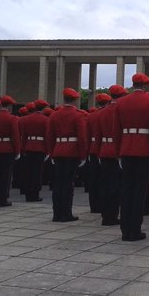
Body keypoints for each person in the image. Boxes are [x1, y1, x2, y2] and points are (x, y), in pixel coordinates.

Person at [113, 73, 149, 241]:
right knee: (139, 191)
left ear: (133, 84)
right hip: (144, 150)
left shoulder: (121, 102)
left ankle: (125, 229)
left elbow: (116, 130)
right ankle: (135, 229)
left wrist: (119, 151)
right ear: (145, 86)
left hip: (126, 149)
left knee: (126, 190)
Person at [46, 88, 87, 223]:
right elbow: (82, 137)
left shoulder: (54, 115)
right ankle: (65, 213)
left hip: (58, 150)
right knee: (68, 184)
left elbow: (50, 136)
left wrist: (51, 153)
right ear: (75, 100)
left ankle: (56, 213)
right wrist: (83, 155)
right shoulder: (77, 115)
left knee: (58, 183)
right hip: (72, 151)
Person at [95, 85, 128, 226]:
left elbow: (97, 135)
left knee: (105, 184)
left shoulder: (101, 113)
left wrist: (97, 152)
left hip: (104, 150)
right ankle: (112, 216)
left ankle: (105, 214)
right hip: (117, 151)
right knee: (116, 186)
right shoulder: (122, 111)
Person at [19, 99, 50, 202]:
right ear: (44, 108)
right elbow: (47, 136)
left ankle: (28, 193)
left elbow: (24, 135)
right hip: (40, 147)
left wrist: (23, 148)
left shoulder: (27, 119)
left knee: (29, 172)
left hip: (29, 146)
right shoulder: (45, 119)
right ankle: (35, 194)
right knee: (37, 172)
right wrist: (47, 150)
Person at [86, 93, 111, 213]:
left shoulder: (91, 116)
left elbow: (86, 135)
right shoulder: (107, 114)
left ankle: (94, 205)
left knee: (94, 179)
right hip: (105, 148)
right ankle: (103, 205)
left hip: (93, 148)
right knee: (105, 180)